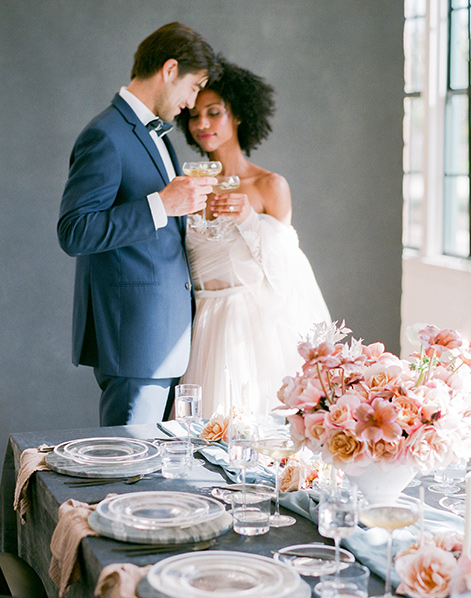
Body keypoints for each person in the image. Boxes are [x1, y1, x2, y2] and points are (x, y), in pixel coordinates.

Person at [57, 22, 218, 425]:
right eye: (194, 86)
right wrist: (162, 204)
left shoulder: (158, 135)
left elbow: (158, 227)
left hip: (163, 334)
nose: (192, 101)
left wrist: (184, 209)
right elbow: (75, 231)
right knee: (126, 468)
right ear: (168, 70)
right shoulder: (105, 135)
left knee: (148, 472)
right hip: (134, 338)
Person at [176, 57, 331, 418]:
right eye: (194, 115)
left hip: (248, 328)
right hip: (197, 326)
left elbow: (285, 273)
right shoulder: (186, 190)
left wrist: (248, 218)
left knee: (247, 430)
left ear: (239, 115)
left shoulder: (269, 186)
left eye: (214, 113)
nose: (202, 124)